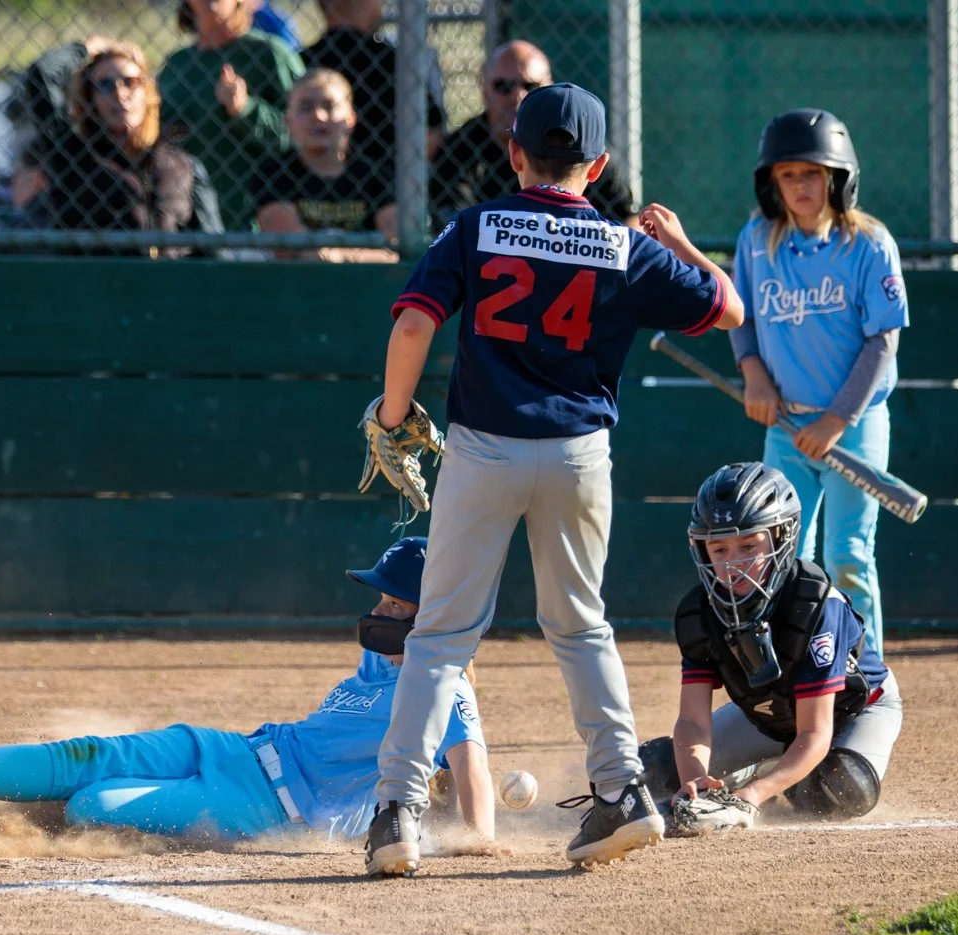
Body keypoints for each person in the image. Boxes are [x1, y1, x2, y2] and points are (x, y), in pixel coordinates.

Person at [361, 83, 746, 876]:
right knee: (579, 625)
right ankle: (621, 792)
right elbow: (731, 310)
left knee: (439, 638)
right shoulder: (623, 246)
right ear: (598, 165)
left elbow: (412, 323)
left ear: (513, 153)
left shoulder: (476, 226)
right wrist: (676, 247)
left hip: (483, 451)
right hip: (577, 455)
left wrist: (396, 414)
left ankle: (398, 811)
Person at [0, 537, 496, 845]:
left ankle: (13, 807)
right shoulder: (379, 660)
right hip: (237, 750)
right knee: (90, 754)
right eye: (381, 597)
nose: (380, 610)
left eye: (396, 601)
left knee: (92, 806)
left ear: (434, 614)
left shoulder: (444, 689)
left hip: (269, 810)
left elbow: (471, 764)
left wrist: (478, 841)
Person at [637, 462, 902, 830]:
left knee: (839, 787)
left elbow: (815, 732)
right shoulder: (698, 612)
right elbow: (692, 721)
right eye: (719, 549)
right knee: (658, 769)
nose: (734, 564)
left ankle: (764, 776)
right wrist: (692, 779)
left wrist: (754, 796)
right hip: (769, 716)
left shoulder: (816, 605)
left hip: (854, 711)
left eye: (748, 545)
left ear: (781, 537)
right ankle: (755, 771)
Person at [730, 109, 908, 656]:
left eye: (813, 173)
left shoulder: (869, 243)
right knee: (781, 555)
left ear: (837, 178)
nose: (802, 186)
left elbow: (883, 342)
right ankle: (799, 672)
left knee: (848, 552)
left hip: (851, 425)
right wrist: (753, 373)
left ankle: (869, 673)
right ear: (771, 183)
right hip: (786, 422)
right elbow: (743, 317)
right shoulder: (758, 240)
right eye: (788, 175)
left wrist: (837, 421)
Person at [14, 41, 221, 250]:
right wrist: (87, 47)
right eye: (105, 85)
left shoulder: (181, 164)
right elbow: (41, 76)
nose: (120, 93)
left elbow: (213, 248)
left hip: (170, 279)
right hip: (104, 278)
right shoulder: (74, 158)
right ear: (90, 98)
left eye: (130, 81)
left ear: (146, 91)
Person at [430, 41, 636, 230]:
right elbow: (453, 221)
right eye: (504, 86)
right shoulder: (459, 149)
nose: (518, 96)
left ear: (550, 87)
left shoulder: (580, 142)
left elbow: (627, 216)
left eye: (531, 87)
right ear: (484, 91)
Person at [157, 0, 303, 232]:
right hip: (189, 228)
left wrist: (245, 109)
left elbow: (302, 138)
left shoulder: (270, 54)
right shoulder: (177, 64)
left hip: (255, 227)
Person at [252, 69, 395, 262]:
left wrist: (339, 256)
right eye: (305, 107)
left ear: (350, 119)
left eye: (329, 106)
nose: (318, 116)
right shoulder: (273, 173)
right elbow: (289, 247)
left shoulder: (376, 175)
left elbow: (395, 248)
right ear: (288, 121)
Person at [301, 0, 445, 171]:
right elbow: (432, 135)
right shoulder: (392, 62)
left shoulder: (303, 61)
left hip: (314, 177)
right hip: (392, 181)